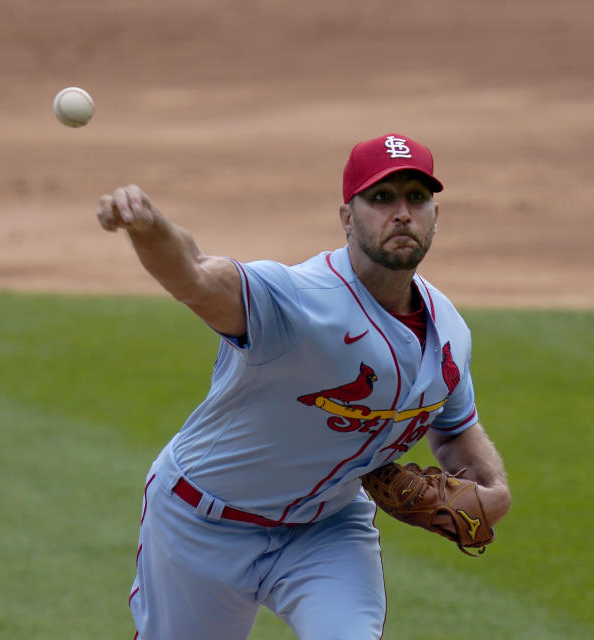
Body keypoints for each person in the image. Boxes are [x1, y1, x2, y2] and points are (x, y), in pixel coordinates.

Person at [97, 133, 512, 639]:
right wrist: (149, 227)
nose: (401, 212)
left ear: (435, 215)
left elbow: (453, 428)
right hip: (201, 525)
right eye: (381, 198)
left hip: (327, 531)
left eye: (416, 198)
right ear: (346, 217)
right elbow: (197, 276)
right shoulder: (295, 300)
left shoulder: (449, 331)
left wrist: (495, 490)